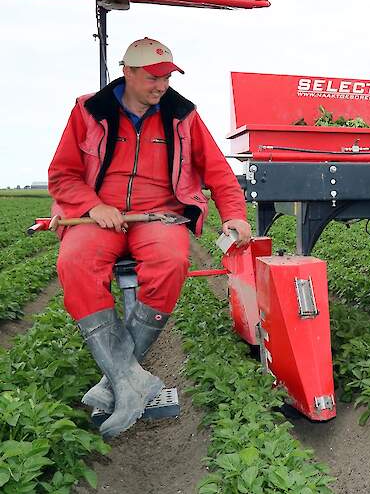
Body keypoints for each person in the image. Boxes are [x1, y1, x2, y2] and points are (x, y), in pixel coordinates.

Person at [48, 37, 252, 437]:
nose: (162, 85)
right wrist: (93, 206)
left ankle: (119, 383)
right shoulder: (88, 111)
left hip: (157, 215)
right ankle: (131, 380)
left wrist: (235, 216)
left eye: (167, 76)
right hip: (97, 216)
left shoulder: (182, 115)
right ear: (128, 72)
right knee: (74, 264)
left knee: (172, 263)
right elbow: (62, 174)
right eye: (153, 77)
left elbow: (218, 172)